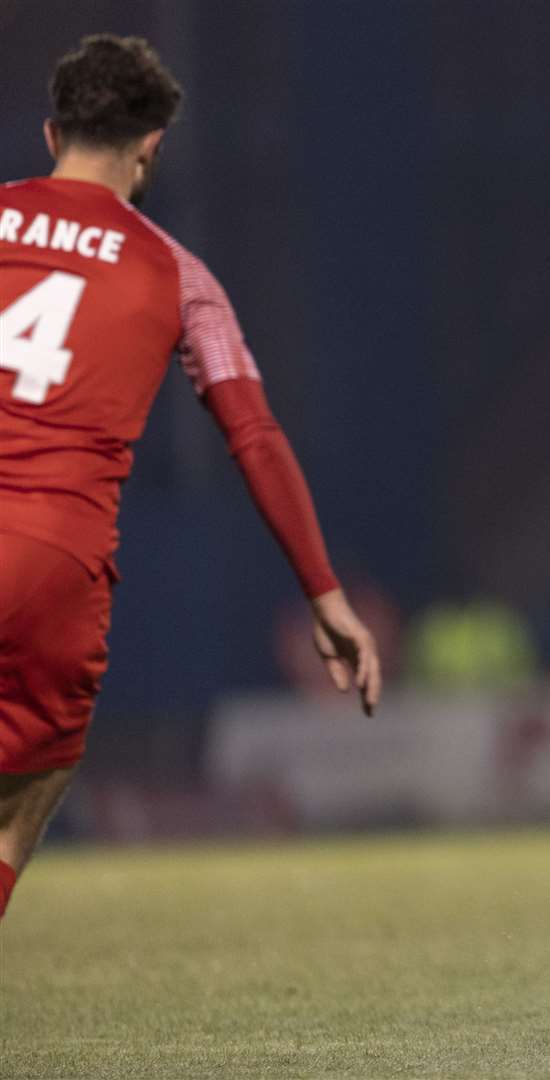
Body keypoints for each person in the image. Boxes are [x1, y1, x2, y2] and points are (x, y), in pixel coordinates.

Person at [0, 35, 381, 923]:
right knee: (30, 787)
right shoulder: (180, 275)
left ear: (54, 134)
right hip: (56, 557)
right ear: (152, 148)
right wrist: (324, 593)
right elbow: (252, 432)